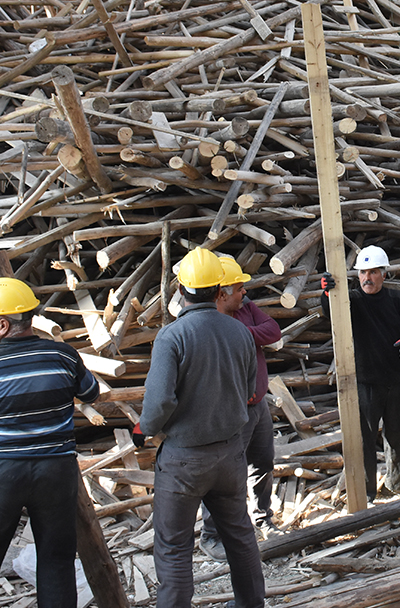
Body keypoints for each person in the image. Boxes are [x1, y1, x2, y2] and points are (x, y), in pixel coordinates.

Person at [0, 278, 100, 608]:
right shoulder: (63, 355)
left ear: (3, 324)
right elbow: (91, 392)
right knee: (56, 557)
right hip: (56, 470)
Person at [141, 247, 264, 608]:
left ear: (180, 287)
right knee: (240, 535)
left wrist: (145, 428)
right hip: (229, 454)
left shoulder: (172, 336)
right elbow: (247, 390)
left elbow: (160, 402)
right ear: (218, 290)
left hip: (183, 459)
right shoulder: (240, 332)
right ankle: (251, 603)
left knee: (174, 547)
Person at [319, 245, 400, 502]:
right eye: (363, 272)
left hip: (396, 379)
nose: (367, 278)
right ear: (358, 276)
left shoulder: (398, 301)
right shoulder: (352, 301)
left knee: (398, 435)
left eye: (373, 272)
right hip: (365, 382)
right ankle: (365, 492)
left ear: (383, 274)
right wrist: (326, 292)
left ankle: (398, 483)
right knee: (364, 439)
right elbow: (330, 312)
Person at [199, 256, 281, 558]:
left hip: (258, 405)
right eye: (239, 288)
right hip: (232, 412)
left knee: (262, 464)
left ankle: (263, 519)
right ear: (222, 293)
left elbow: (273, 331)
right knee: (224, 475)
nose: (244, 293)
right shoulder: (210, 324)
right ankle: (211, 535)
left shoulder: (245, 310)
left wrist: (245, 335)